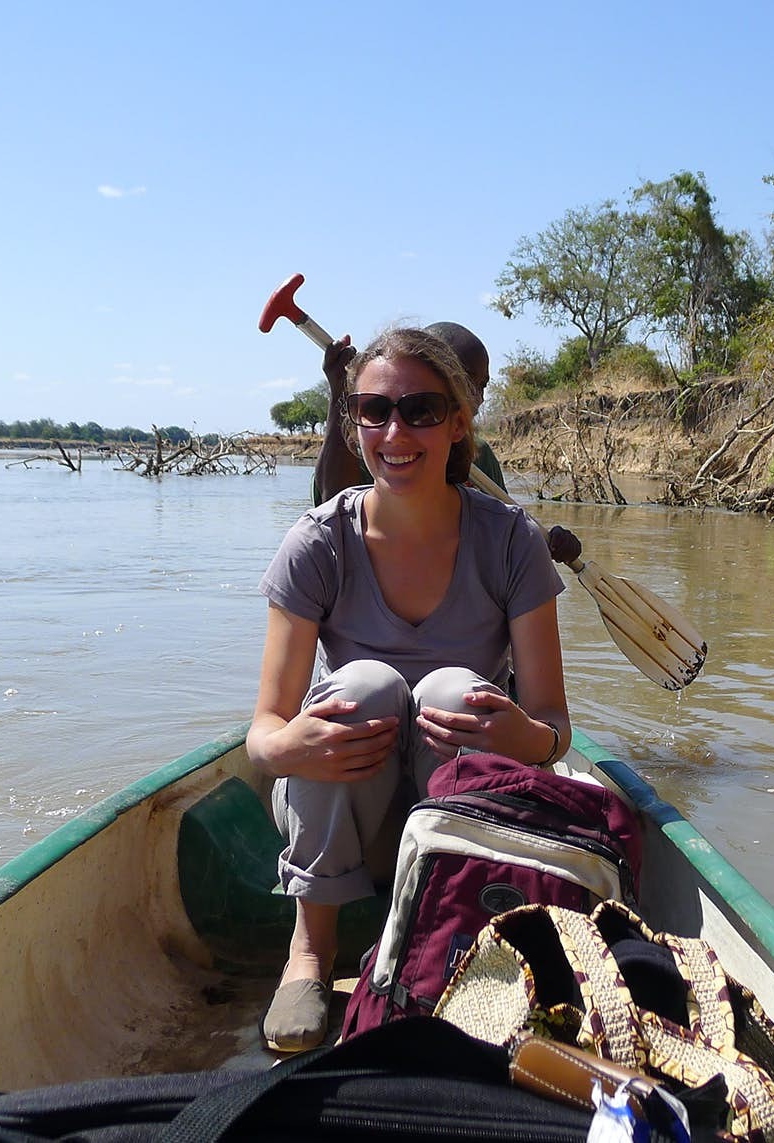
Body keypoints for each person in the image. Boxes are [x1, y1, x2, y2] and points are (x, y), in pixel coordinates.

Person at [248, 327, 571, 1053]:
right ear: (352, 419)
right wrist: (289, 741)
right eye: (374, 410)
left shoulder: (512, 540)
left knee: (455, 692)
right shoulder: (316, 542)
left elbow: (554, 724)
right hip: (345, 801)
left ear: (460, 423)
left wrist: (532, 737)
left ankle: (446, 936)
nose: (395, 431)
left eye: (422, 410)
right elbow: (262, 733)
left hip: (456, 793)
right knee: (358, 687)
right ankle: (309, 948)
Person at [312, 321, 583, 565]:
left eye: (483, 385)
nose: (479, 398)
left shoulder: (481, 455)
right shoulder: (377, 449)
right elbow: (335, 517)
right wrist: (340, 393)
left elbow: (503, 533)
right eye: (468, 383)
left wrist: (539, 542)